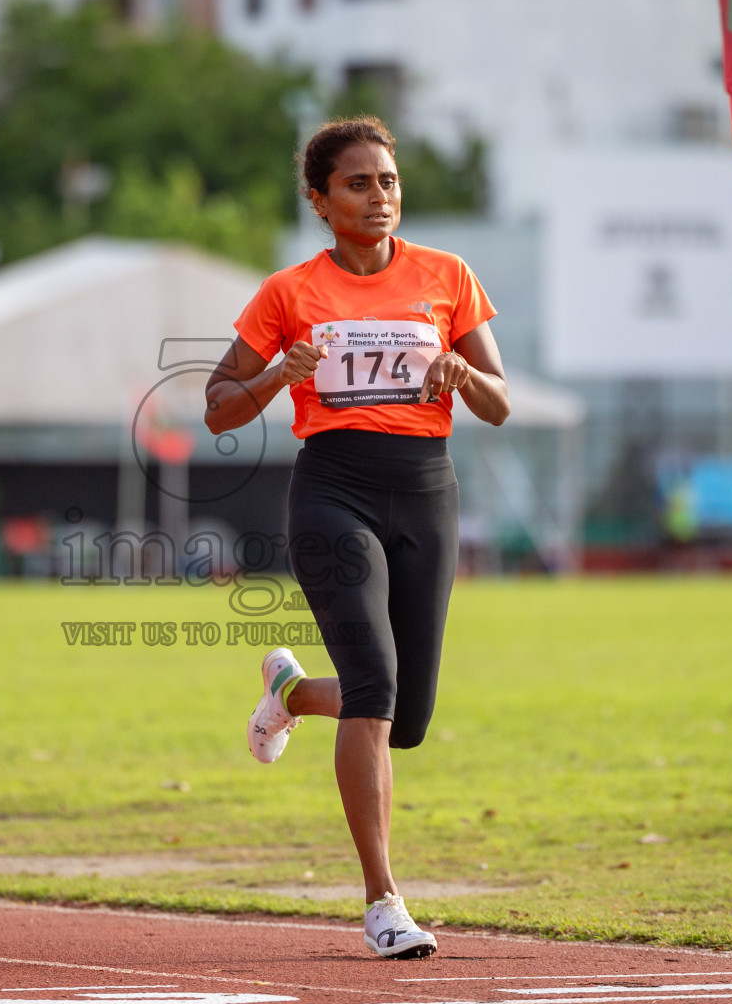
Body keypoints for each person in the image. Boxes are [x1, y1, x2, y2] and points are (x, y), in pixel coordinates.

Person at [205, 116, 510, 960]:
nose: (380, 197)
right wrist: (276, 374)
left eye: (389, 182)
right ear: (320, 201)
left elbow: (499, 401)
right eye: (358, 184)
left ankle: (294, 695)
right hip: (333, 493)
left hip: (426, 492)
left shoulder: (446, 276)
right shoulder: (288, 292)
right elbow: (218, 405)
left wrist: (463, 372)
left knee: (406, 717)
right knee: (375, 685)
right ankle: (383, 901)